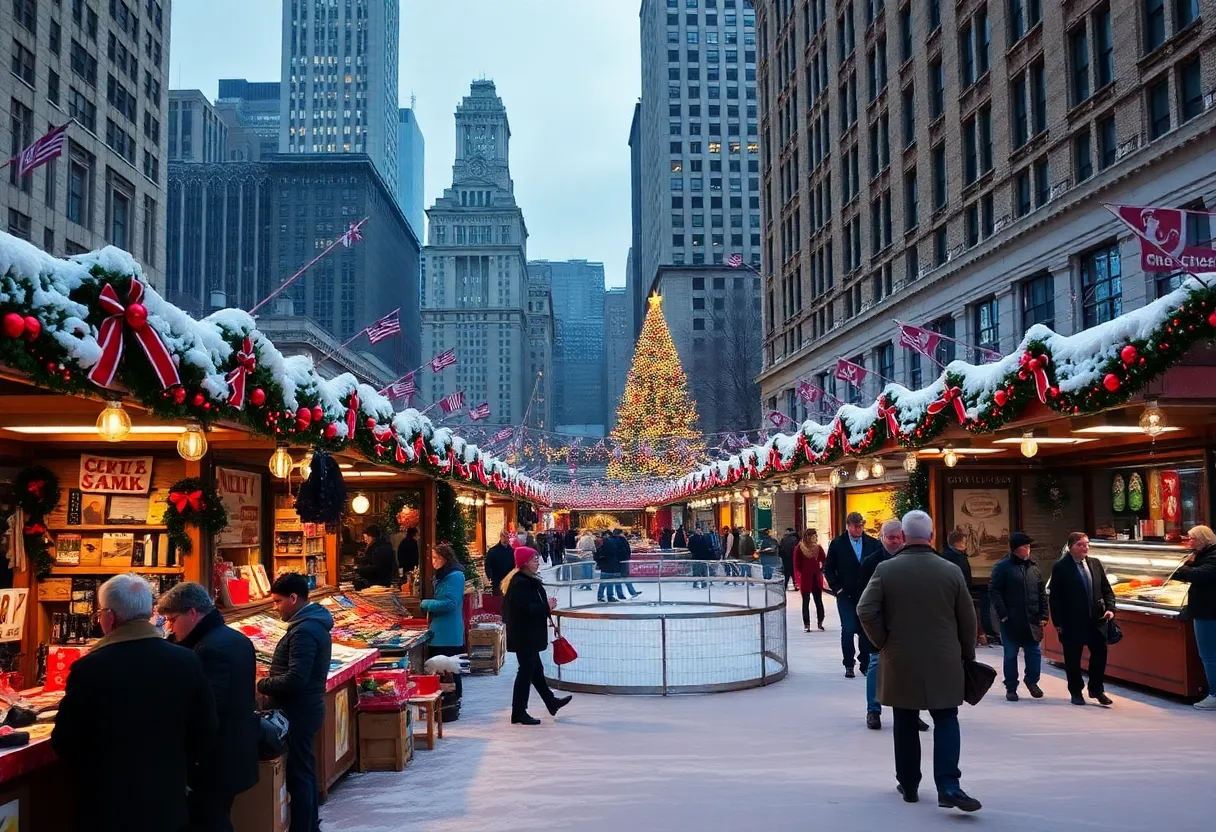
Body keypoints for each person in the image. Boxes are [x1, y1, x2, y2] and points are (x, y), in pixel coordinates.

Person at [52, 574, 217, 832]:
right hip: (167, 799)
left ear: (110, 616)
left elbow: (66, 739)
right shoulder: (186, 660)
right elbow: (205, 728)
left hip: (108, 805)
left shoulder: (90, 668)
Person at [857, 511, 981, 813]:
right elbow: (968, 619)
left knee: (905, 719)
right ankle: (949, 786)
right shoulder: (950, 571)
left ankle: (909, 784)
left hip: (901, 658)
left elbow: (865, 609)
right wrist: (967, 654)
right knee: (946, 718)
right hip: (944, 658)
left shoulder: (886, 570)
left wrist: (882, 640)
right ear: (932, 535)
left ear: (904, 534)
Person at [158, 581, 259, 832]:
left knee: (209, 821)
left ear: (192, 613)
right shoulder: (232, 638)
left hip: (215, 761)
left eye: (172, 619)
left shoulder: (209, 649)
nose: (169, 627)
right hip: (233, 755)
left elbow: (207, 710)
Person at [257, 573, 333, 832]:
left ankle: (304, 827)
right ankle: (309, 825)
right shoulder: (308, 625)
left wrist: (261, 684)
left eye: (278, 602)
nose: (275, 607)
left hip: (299, 710)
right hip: (305, 707)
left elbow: (296, 678)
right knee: (304, 770)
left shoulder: (305, 630)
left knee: (300, 774)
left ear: (293, 598)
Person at [502, 546, 572, 724]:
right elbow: (525, 609)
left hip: (527, 634)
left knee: (535, 671)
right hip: (524, 635)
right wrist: (545, 606)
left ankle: (550, 702)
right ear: (525, 563)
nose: (537, 562)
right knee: (525, 672)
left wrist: (546, 606)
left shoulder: (526, 580)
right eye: (534, 559)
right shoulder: (520, 583)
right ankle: (519, 712)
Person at [1050, 533, 1116, 706]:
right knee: (1072, 658)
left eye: (1086, 544)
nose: (1085, 547)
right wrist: (1058, 623)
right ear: (1071, 547)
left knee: (1100, 655)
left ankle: (1097, 689)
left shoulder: (1095, 563)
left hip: (1097, 619)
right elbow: (1055, 598)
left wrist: (1110, 609)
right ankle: (1076, 691)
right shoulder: (1061, 567)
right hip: (1072, 621)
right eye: (1080, 544)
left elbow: (1106, 590)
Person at [989, 532, 1047, 701]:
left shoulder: (1033, 568)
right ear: (1015, 548)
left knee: (1034, 653)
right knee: (1010, 655)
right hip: (1011, 619)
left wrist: (1044, 614)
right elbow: (994, 591)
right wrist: (1003, 614)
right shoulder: (1002, 567)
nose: (1028, 550)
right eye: (1025, 546)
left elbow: (1041, 593)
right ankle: (1011, 687)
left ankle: (1032, 681)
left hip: (1032, 620)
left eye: (1029, 547)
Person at [825, 512, 882, 678]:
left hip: (867, 594)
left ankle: (865, 663)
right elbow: (829, 569)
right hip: (846, 595)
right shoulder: (837, 544)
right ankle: (849, 663)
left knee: (865, 630)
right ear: (848, 526)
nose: (859, 529)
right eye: (855, 526)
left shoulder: (873, 544)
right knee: (848, 629)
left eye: (861, 526)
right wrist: (838, 589)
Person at [421, 543, 467, 713]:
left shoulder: (455, 576)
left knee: (451, 668)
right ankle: (446, 703)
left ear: (445, 558)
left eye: (436, 558)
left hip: (448, 631)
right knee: (443, 669)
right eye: (432, 558)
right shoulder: (442, 576)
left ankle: (452, 704)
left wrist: (426, 604)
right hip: (440, 630)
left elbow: (451, 603)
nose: (433, 562)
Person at [1176, 525, 1216, 709]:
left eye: (1192, 539)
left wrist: (1179, 569)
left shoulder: (1212, 556)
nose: (1189, 543)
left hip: (1208, 612)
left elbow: (1200, 575)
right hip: (1206, 610)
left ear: (1202, 540)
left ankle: (1214, 695)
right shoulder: (1203, 554)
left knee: (1209, 655)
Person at [795, 529, 826, 631]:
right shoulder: (799, 548)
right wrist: (802, 572)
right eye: (813, 536)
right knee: (806, 601)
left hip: (816, 578)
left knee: (818, 601)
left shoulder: (818, 548)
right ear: (808, 537)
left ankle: (820, 622)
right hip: (805, 578)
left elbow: (825, 560)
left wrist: (821, 570)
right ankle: (806, 624)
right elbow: (796, 564)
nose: (815, 538)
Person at [355, 524, 398, 589]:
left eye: (366, 538)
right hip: (379, 581)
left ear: (371, 537)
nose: (365, 540)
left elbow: (377, 568)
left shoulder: (379, 548)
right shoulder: (378, 546)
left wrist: (358, 569)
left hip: (379, 583)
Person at [484, 530, 516, 597]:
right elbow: (487, 565)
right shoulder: (493, 551)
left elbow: (514, 565)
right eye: (504, 537)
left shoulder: (511, 551)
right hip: (497, 580)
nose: (505, 539)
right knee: (498, 599)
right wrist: (489, 575)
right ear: (500, 537)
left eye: (507, 537)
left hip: (508, 579)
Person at [612, 528, 642, 598]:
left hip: (615, 562)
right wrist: (627, 557)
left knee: (617, 578)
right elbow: (627, 550)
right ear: (620, 533)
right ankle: (632, 591)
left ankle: (620, 594)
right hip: (624, 561)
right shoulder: (623, 540)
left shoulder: (612, 540)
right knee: (626, 577)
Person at [595, 529, 623, 603]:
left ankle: (600, 596)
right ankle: (609, 596)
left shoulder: (603, 543)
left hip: (605, 565)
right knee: (609, 582)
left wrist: (599, 561)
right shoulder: (612, 542)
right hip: (611, 564)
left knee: (603, 582)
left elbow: (598, 554)